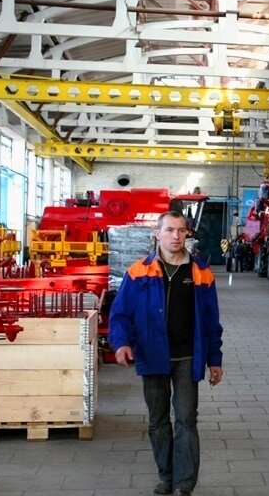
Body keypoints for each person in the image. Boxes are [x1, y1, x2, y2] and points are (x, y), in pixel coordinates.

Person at [108, 211, 224, 496]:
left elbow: (211, 321)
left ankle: (185, 483)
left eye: (181, 230)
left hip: (187, 357)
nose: (175, 236)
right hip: (152, 355)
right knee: (158, 421)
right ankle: (166, 476)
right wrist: (121, 343)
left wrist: (215, 360)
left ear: (187, 234)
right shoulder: (138, 272)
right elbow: (121, 314)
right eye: (169, 230)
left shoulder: (201, 273)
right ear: (157, 234)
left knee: (186, 419)